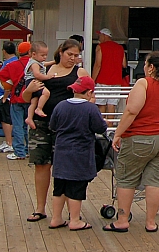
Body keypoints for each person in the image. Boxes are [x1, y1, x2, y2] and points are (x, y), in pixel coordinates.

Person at [105, 51, 159, 233]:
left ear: (151, 67)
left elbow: (131, 110)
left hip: (141, 136)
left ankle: (122, 219)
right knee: (157, 179)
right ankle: (151, 222)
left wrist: (118, 134)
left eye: (146, 64)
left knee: (127, 177)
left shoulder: (143, 83)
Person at [23, 39, 89, 223]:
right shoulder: (44, 70)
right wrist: (29, 89)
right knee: (41, 164)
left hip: (67, 126)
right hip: (42, 123)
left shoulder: (80, 72)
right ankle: (40, 208)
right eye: (70, 55)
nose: (73, 59)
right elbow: (26, 96)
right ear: (61, 52)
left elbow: (89, 94)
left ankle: (71, 212)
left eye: (77, 56)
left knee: (66, 169)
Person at [47, 76, 107, 231]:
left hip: (61, 152)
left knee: (59, 187)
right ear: (89, 93)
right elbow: (100, 128)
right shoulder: (90, 109)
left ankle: (56, 218)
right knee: (76, 187)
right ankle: (74, 220)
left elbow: (52, 125)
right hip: (80, 154)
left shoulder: (61, 106)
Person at [0, 42, 33, 160]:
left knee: (17, 125)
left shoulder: (12, 65)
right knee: (29, 125)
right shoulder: (35, 64)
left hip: (16, 98)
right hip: (32, 98)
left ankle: (19, 152)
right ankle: (29, 150)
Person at [91, 28, 127, 114]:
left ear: (104, 36)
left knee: (101, 104)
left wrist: (92, 80)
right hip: (116, 81)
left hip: (102, 80)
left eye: (99, 35)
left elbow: (97, 65)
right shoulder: (120, 48)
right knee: (112, 104)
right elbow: (124, 64)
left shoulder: (100, 47)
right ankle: (110, 125)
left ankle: (102, 125)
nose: (99, 38)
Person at [0, 40, 16, 152]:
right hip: (5, 94)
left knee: (6, 120)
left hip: (5, 95)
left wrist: (5, 95)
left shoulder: (9, 63)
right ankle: (8, 141)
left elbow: (9, 81)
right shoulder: (16, 61)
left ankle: (9, 143)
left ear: (4, 51)